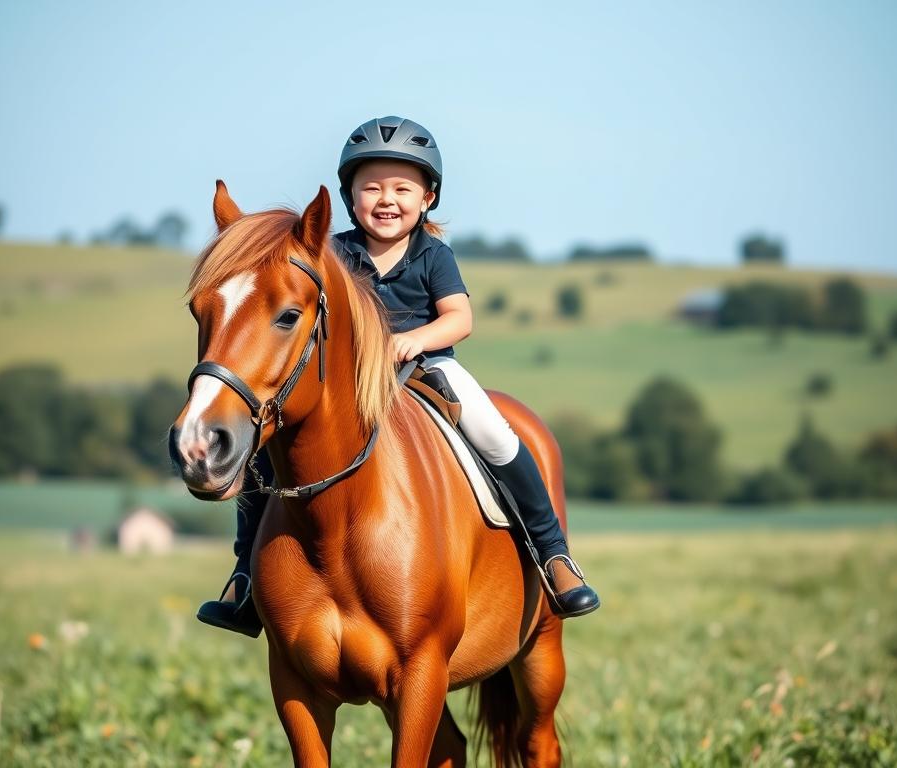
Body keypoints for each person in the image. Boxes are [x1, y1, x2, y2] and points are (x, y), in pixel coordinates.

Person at [197, 116, 599, 637]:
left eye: (402, 188)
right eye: (372, 188)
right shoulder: (332, 253)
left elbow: (460, 318)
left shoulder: (433, 254)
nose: (386, 200)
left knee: (495, 434)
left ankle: (553, 558)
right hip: (349, 380)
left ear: (428, 197)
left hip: (427, 367)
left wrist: (414, 339)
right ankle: (246, 578)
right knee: (265, 453)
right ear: (349, 196)